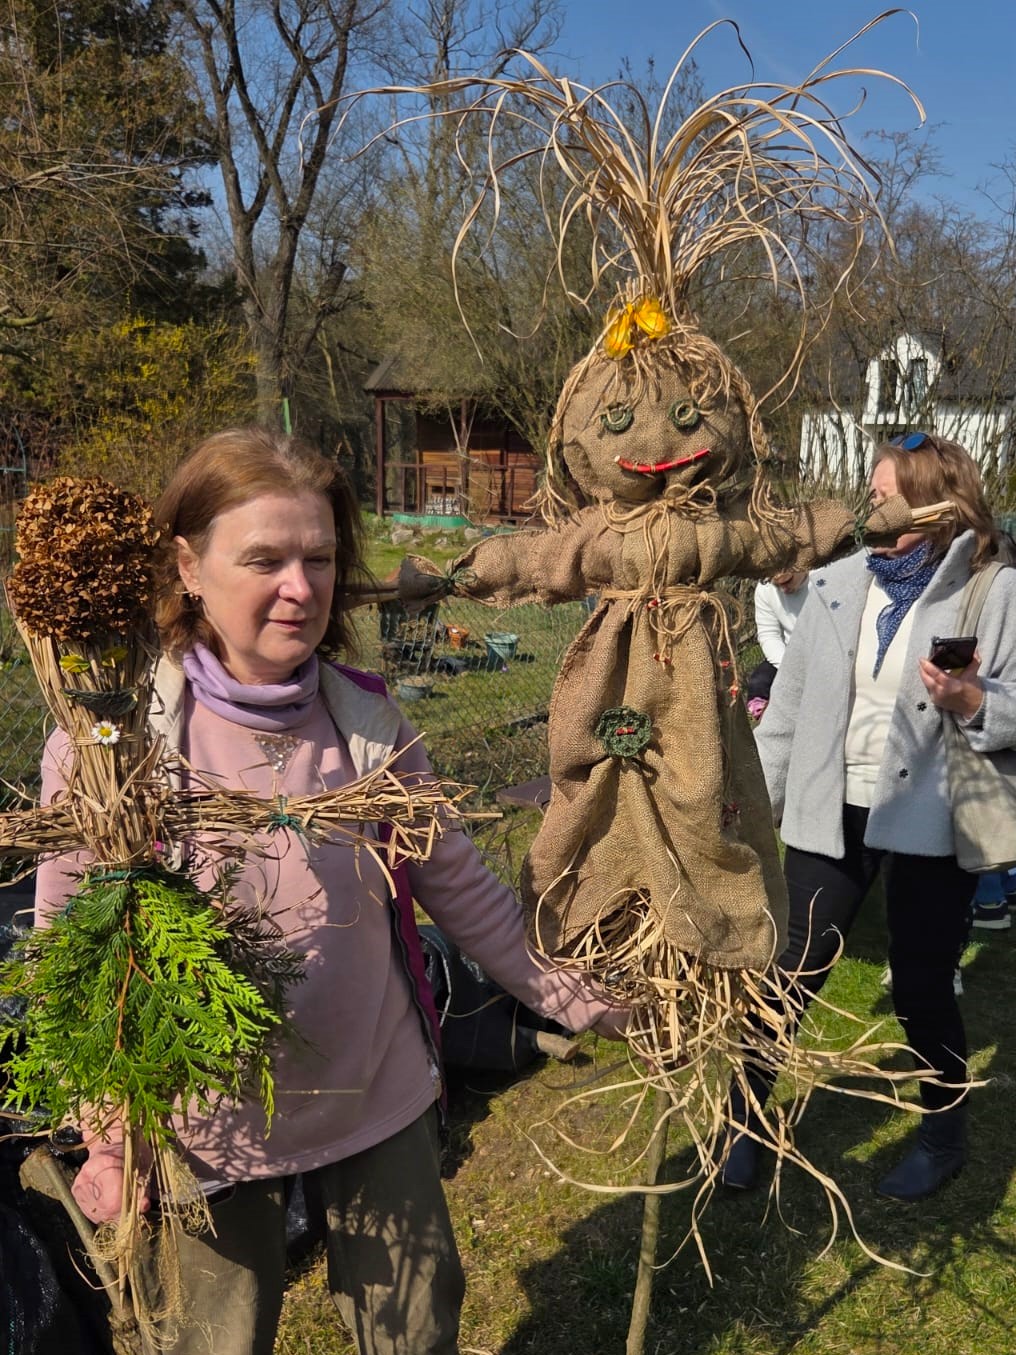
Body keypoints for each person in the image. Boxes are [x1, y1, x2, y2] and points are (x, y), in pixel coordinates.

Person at [35, 427, 627, 1355]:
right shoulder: (116, 748)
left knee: (415, 1327)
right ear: (188, 568)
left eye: (318, 558)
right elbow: (70, 945)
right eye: (264, 559)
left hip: (371, 1087)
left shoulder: (367, 721)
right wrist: (108, 1134)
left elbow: (461, 887)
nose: (300, 587)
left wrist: (585, 998)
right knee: (210, 1339)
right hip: (203, 1121)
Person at [723, 431, 1016, 1201]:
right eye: (872, 489)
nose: (871, 503)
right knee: (786, 975)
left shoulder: (989, 590)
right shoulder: (836, 584)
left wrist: (974, 699)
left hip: (931, 819)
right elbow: (786, 715)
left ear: (931, 500)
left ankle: (943, 1137)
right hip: (831, 812)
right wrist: (750, 816)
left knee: (921, 985)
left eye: (884, 491)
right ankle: (743, 1123)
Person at [746, 570, 809, 718]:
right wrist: (789, 668)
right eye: (777, 585)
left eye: (787, 582)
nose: (783, 589)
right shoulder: (765, 588)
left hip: (827, 650)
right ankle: (763, 716)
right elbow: (769, 635)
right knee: (759, 681)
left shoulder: (825, 577)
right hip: (791, 654)